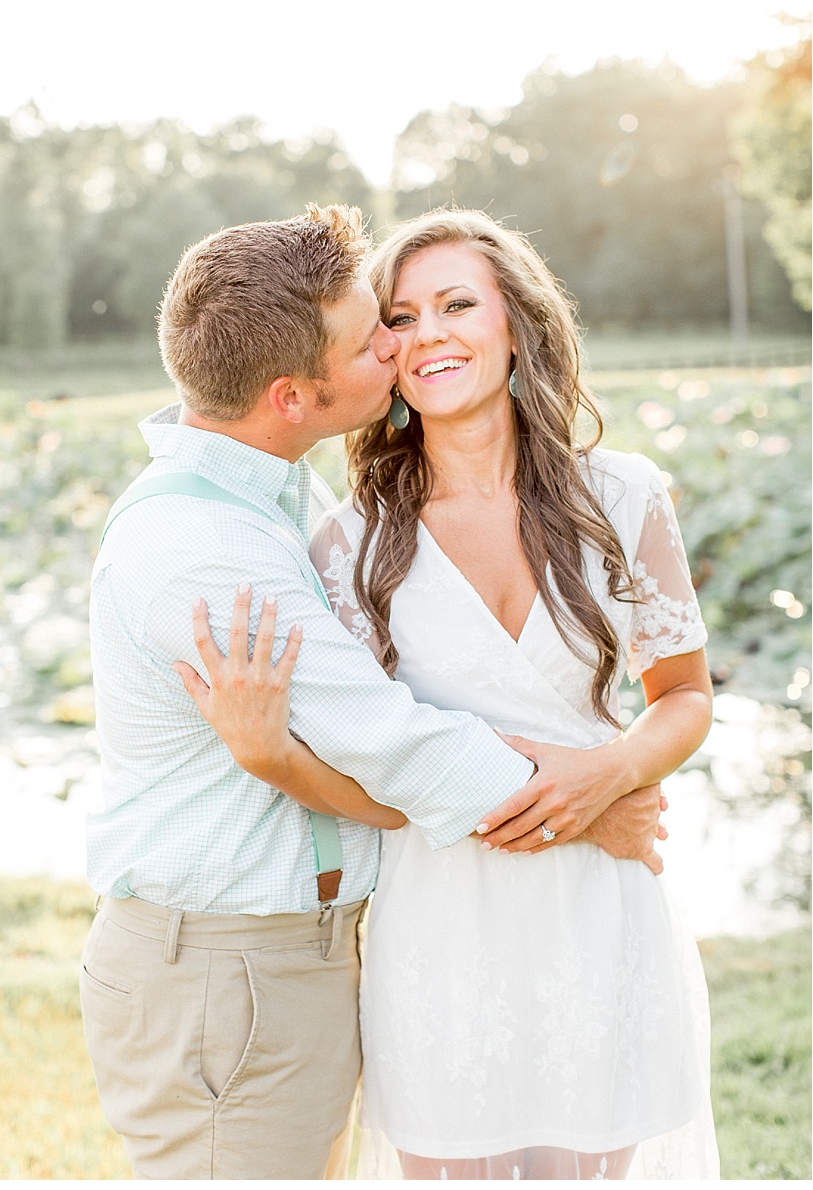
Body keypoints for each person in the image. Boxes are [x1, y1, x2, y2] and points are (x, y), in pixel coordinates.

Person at [80, 205, 667, 1179]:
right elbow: (393, 740)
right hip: (230, 971)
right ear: (289, 395)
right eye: (370, 338)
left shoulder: (270, 499)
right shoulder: (209, 550)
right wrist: (587, 800)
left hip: (274, 961)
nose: (398, 345)